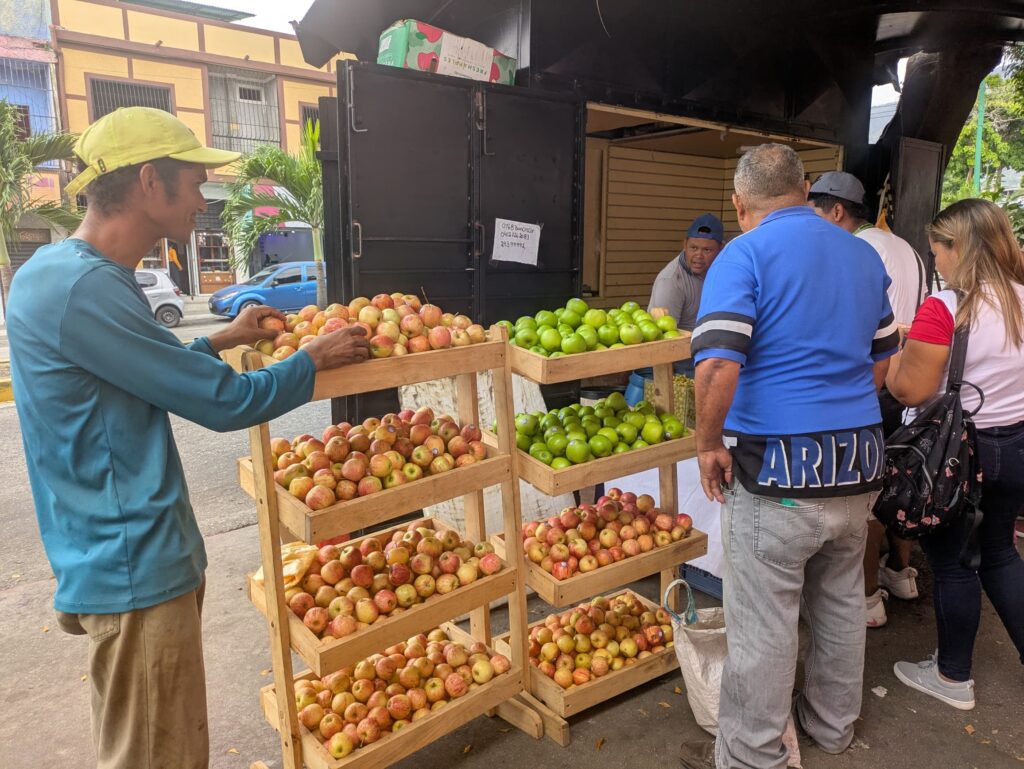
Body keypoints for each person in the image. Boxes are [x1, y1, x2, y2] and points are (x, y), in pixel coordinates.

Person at [6, 107, 370, 769]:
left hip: (107, 555)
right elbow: (226, 401)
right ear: (150, 182)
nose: (205, 202)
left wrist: (220, 338)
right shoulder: (86, 287)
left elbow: (135, 374)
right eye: (196, 184)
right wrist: (310, 359)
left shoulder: (56, 274)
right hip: (133, 566)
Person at [681, 144, 899, 769]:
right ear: (806, 189)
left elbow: (720, 361)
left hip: (778, 469)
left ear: (740, 204)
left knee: (765, 619)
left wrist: (706, 445)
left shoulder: (742, 254)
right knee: (838, 601)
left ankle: (753, 755)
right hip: (859, 464)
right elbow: (883, 362)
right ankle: (833, 727)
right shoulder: (860, 255)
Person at [886, 198, 1024, 711]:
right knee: (1001, 553)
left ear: (958, 248)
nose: (934, 259)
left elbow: (910, 391)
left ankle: (952, 677)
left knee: (953, 563)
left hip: (962, 456)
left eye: (937, 249)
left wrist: (900, 353)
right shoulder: (1019, 298)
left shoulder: (944, 309)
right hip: (1015, 444)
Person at [808, 171, 928, 628]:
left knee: (867, 499)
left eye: (816, 212)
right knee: (901, 484)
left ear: (836, 211)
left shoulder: (855, 250)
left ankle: (868, 597)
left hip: (871, 385)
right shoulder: (909, 249)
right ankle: (900, 572)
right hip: (906, 382)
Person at [648, 212, 725, 334]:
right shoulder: (670, 281)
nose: (699, 256)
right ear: (685, 245)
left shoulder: (724, 271)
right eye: (694, 248)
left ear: (721, 249)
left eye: (707, 250)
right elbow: (663, 336)